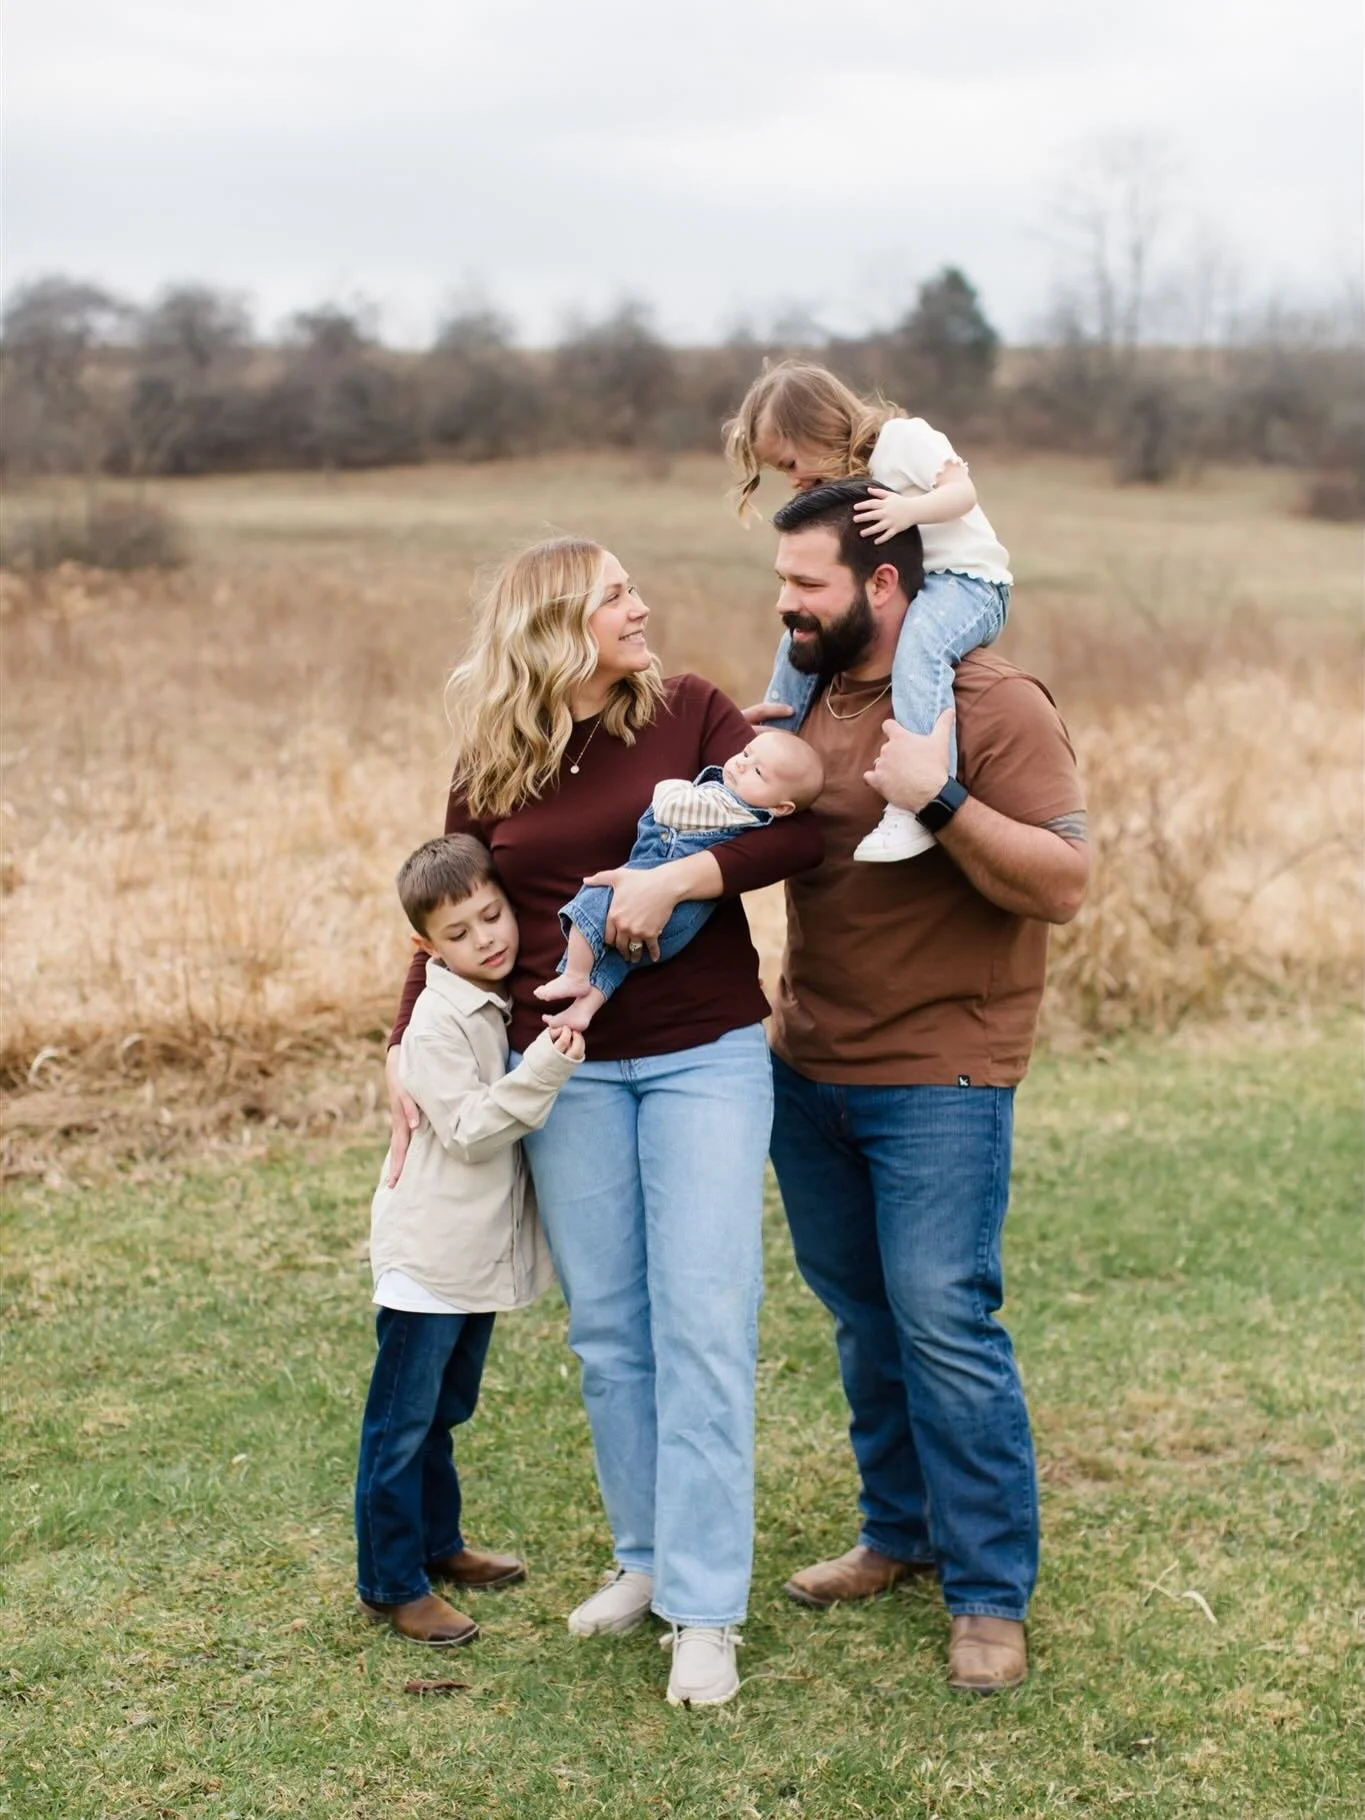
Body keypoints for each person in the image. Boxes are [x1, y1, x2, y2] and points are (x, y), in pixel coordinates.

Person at [384, 537, 823, 1707]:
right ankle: (646, 1556)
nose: (642, 606)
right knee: (612, 1331)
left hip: (705, 1058)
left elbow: (797, 828)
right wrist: (399, 1045)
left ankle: (706, 1607)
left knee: (705, 1324)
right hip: (559, 1071)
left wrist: (677, 882)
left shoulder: (689, 711)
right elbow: (441, 909)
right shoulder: (494, 757)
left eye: (634, 588)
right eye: (615, 594)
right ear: (557, 625)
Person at [755, 479, 1088, 1694]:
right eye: (782, 580)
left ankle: (990, 1594)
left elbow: (1061, 880)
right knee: (863, 1317)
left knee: (946, 1322)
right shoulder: (809, 699)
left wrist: (938, 797)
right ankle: (896, 1532)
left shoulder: (990, 702)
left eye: (808, 585)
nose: (784, 604)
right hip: (809, 1069)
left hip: (943, 1073)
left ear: (886, 584)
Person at [356, 833, 584, 1647]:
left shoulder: (491, 999)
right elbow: (472, 1129)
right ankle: (390, 1583)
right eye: (459, 933)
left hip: (470, 1254)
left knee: (444, 1410)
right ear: (426, 949)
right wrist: (548, 1067)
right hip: (430, 1259)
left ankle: (436, 1543)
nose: (487, 938)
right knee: (400, 1422)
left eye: (493, 916)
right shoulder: (436, 1023)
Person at [726, 359, 1012, 864]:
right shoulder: (848, 478)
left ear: (816, 428)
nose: (793, 480)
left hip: (969, 583)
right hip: (915, 585)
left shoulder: (904, 439)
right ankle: (770, 753)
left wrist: (909, 511)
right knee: (802, 630)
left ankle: (918, 796)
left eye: (790, 464)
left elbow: (962, 492)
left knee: (921, 647)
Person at [534, 729, 824, 1032]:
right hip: (680, 925)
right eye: (746, 753)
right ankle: (584, 1008)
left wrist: (669, 784)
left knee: (591, 899)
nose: (740, 764)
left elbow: (671, 807)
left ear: (780, 808)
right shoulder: (751, 814)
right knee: (620, 960)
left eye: (758, 771)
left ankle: (575, 973)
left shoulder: (727, 807)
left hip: (666, 908)